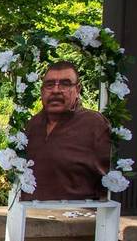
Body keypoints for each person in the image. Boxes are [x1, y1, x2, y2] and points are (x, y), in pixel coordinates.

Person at [23, 60, 110, 200]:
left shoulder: (94, 125)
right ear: (42, 90)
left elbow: (110, 182)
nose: (56, 90)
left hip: (77, 216)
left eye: (65, 84)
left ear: (78, 89)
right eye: (50, 85)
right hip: (29, 216)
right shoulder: (33, 125)